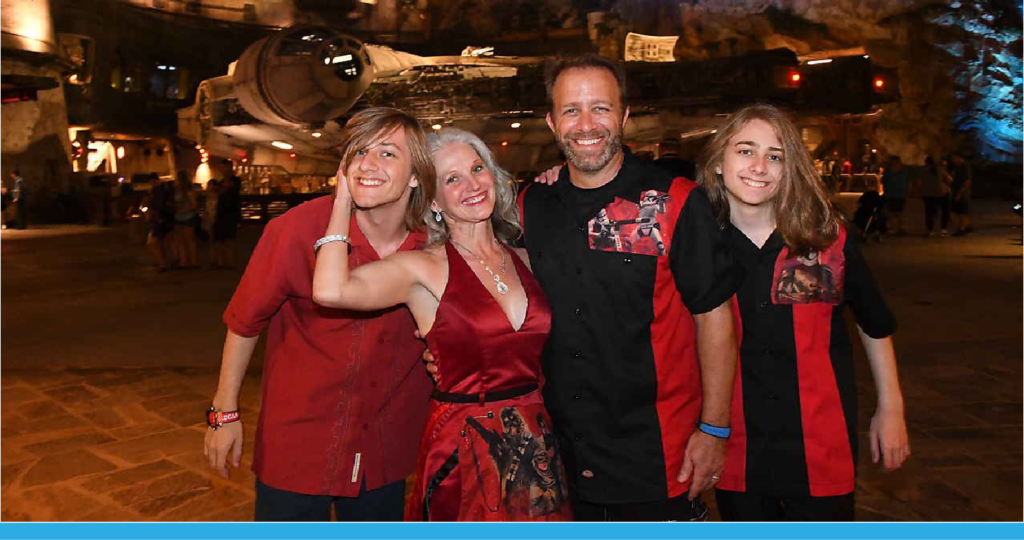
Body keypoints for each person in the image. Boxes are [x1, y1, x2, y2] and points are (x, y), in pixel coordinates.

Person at [518, 55, 743, 521]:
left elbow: (715, 317)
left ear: (623, 117)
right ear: (551, 122)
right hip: (560, 456)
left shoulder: (674, 200)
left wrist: (715, 430)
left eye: (600, 108)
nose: (586, 124)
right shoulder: (531, 203)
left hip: (658, 453)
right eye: (571, 110)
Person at [312, 127, 572, 522]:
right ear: (432, 198)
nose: (472, 185)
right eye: (452, 179)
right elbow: (331, 291)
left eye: (477, 168)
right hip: (466, 450)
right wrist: (344, 198)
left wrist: (562, 176)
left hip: (538, 443)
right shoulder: (423, 268)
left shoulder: (526, 256)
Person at [204, 108, 433, 521]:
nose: (368, 163)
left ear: (416, 175)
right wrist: (224, 415)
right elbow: (243, 323)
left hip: (384, 453)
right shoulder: (296, 230)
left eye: (388, 153)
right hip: (298, 449)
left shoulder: (432, 248)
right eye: (359, 151)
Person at [696, 103, 910, 521]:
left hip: (820, 445)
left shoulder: (829, 241)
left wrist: (891, 409)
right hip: (735, 448)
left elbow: (874, 324)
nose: (760, 166)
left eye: (775, 156)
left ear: (789, 167)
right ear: (719, 162)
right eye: (745, 151)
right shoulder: (698, 245)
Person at [144, 173, 175, 271]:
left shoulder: (159, 191)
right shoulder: (162, 190)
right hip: (163, 219)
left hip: (160, 219)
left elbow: (160, 205)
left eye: (152, 182)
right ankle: (164, 262)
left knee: (154, 242)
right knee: (162, 242)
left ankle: (162, 263)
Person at [213, 174, 242, 269]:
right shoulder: (223, 192)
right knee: (221, 240)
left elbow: (235, 206)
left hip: (229, 217)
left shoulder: (232, 193)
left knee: (229, 240)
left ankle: (230, 262)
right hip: (222, 217)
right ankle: (222, 261)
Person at [172, 170, 199, 268]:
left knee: (189, 239)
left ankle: (194, 262)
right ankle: (184, 261)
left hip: (187, 217)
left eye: (177, 180)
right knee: (180, 240)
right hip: (178, 217)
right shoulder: (177, 190)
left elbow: (194, 204)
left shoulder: (188, 191)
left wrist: (184, 209)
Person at [920, 156, 951, 237]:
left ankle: (930, 230)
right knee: (944, 211)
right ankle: (943, 230)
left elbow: (918, 182)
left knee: (929, 212)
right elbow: (950, 179)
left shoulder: (923, 170)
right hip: (941, 193)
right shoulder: (940, 170)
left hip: (927, 194)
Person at [880, 156, 909, 235]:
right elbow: (884, 182)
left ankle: (899, 228)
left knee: (899, 213)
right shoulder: (888, 172)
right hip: (891, 194)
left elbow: (906, 182)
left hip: (901, 194)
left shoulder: (903, 171)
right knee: (892, 213)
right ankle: (892, 228)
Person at [949, 152, 973, 235]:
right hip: (956, 191)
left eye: (954, 158)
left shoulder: (965, 166)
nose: (952, 160)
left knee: (961, 211)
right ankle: (966, 226)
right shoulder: (956, 167)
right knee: (957, 211)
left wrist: (961, 192)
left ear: (959, 157)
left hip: (962, 193)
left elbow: (967, 181)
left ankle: (961, 229)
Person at [203, 179, 220, 265]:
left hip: (215, 219)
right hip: (210, 219)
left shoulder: (217, 196)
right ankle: (214, 259)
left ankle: (216, 259)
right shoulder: (209, 196)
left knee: (215, 241)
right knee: (212, 241)